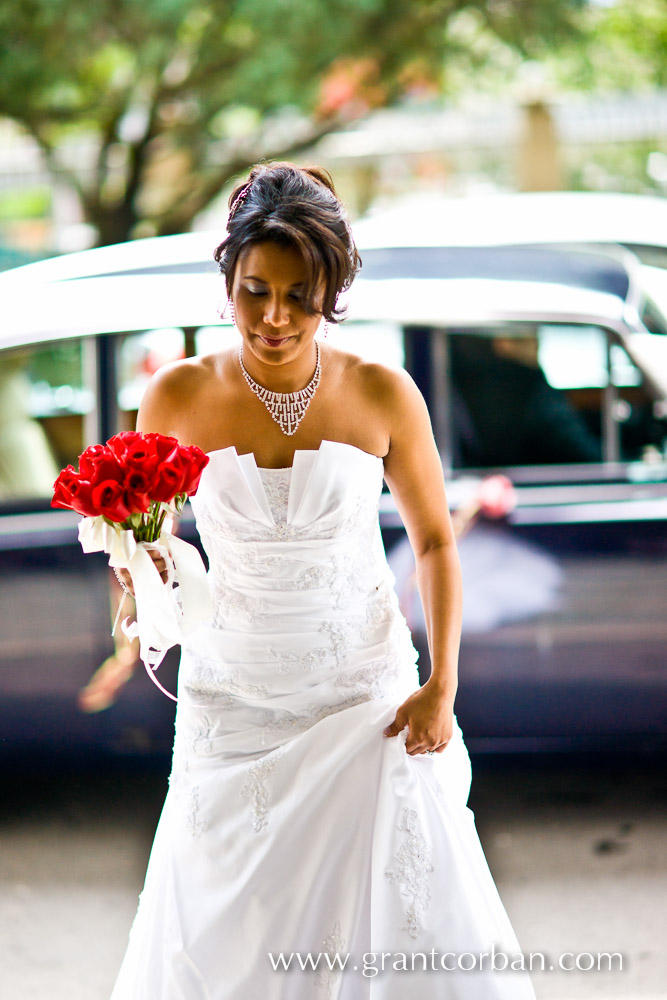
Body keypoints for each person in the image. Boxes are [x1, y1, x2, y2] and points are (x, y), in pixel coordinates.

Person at [110, 162, 536, 999]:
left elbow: (435, 544)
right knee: (227, 925)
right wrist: (139, 572)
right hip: (229, 703)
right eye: (253, 291)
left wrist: (442, 684)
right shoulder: (177, 395)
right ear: (227, 283)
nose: (273, 317)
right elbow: (145, 548)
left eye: (299, 294)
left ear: (332, 289)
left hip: (363, 696)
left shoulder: (382, 390)